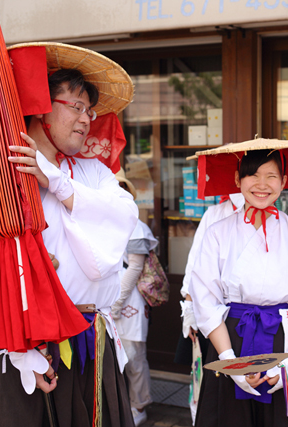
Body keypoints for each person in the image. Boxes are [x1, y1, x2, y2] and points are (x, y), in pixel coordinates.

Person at [0, 43, 138, 426]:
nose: (86, 119)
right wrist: (21, 353)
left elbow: (123, 215)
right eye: (76, 107)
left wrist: (56, 181)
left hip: (89, 337)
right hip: (23, 343)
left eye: (90, 110)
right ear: (40, 105)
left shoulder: (92, 173)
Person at [189, 142, 288, 427]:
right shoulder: (217, 233)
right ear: (238, 180)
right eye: (253, 175)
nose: (262, 184)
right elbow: (205, 300)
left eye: (271, 176)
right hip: (231, 340)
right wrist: (231, 362)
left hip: (287, 341)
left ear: (284, 182)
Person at [176, 191, 244, 423]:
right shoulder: (215, 213)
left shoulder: (275, 215)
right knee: (205, 381)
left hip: (247, 316)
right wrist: (189, 306)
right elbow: (194, 262)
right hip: (211, 311)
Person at [111, 170, 157, 426]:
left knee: (134, 359)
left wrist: (116, 304)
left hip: (129, 305)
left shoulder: (137, 227)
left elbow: (135, 269)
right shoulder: (102, 224)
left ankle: (138, 405)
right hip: (107, 304)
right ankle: (118, 404)